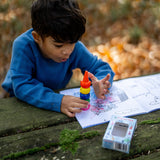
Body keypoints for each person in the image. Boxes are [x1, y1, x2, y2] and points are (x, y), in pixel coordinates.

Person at [1, 0, 115, 117]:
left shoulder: (74, 48)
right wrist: (58, 101)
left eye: (73, 42)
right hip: (15, 101)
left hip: (51, 99)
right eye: (58, 45)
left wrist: (101, 82)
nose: (67, 51)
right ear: (37, 37)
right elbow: (22, 86)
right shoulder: (24, 46)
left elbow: (100, 67)